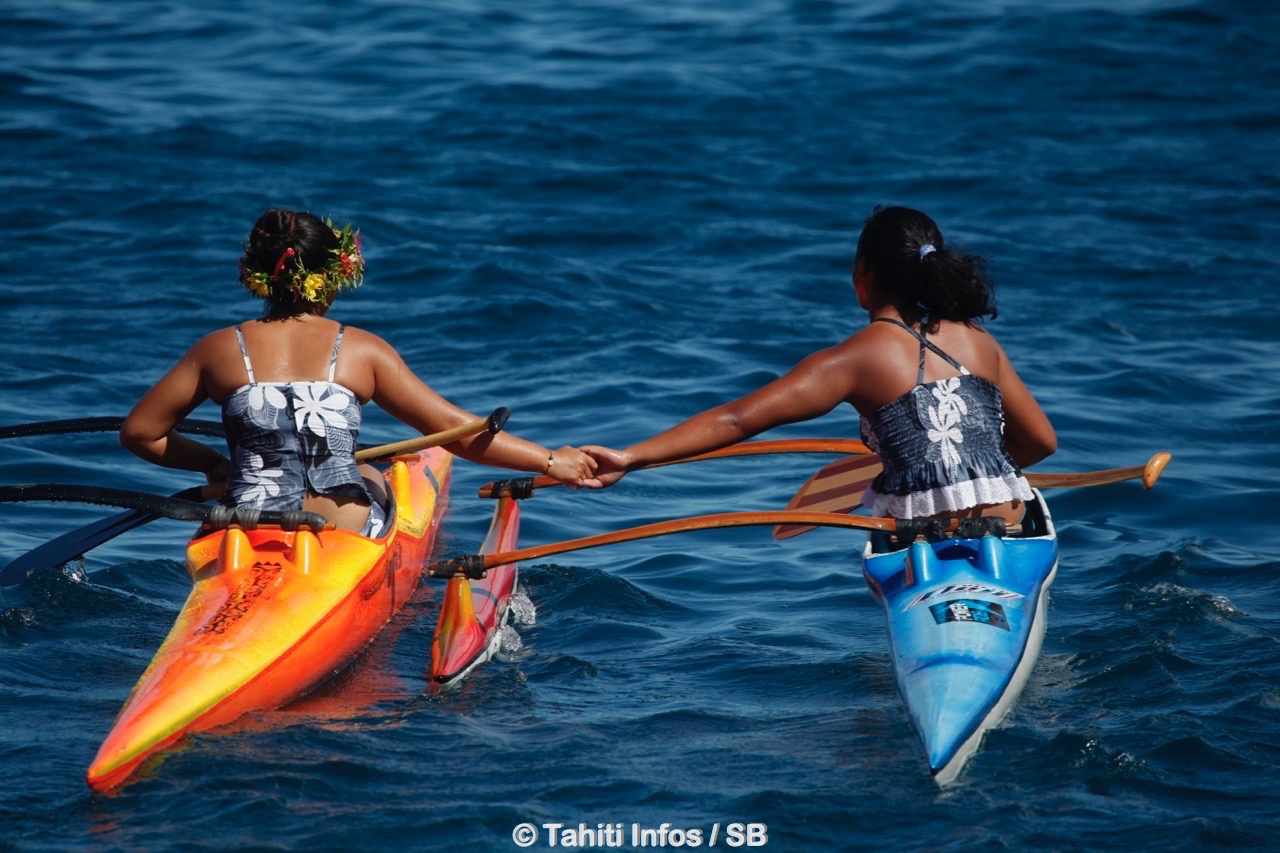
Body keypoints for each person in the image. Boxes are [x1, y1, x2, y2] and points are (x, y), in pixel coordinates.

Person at [121, 208, 595, 536]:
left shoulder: (218, 349)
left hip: (246, 526)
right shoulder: (361, 351)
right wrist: (553, 461)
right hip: (338, 530)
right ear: (334, 275)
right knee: (367, 469)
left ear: (258, 276)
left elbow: (141, 433)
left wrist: (213, 464)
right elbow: (456, 433)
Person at [582, 206, 1056, 525]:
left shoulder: (850, 361)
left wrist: (630, 457)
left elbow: (736, 419)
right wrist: (974, 469)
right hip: (1006, 518)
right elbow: (1040, 442)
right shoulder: (978, 339)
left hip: (924, 535)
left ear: (862, 274)